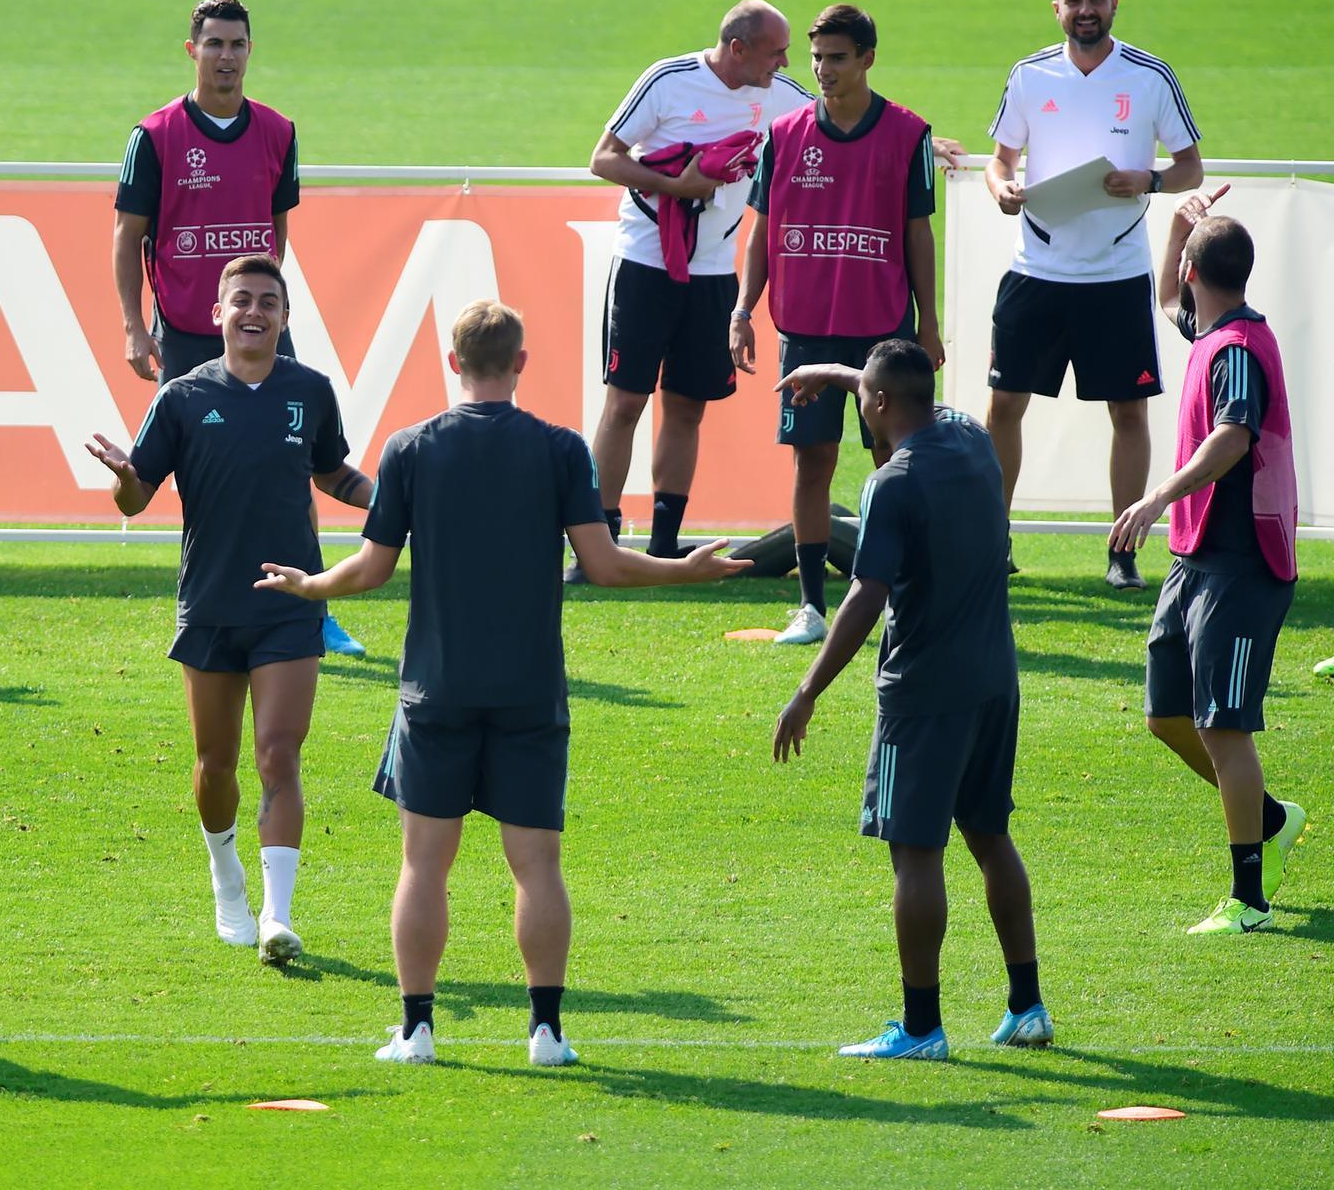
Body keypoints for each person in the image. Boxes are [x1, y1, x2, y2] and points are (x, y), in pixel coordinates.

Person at [258, 299, 744, 1066]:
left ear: (454, 363)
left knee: (423, 864)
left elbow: (373, 567)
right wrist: (683, 567)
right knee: (538, 866)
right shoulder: (560, 451)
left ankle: (416, 1030)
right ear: (520, 362)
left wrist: (312, 587)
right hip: (529, 690)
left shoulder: (411, 448)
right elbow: (606, 564)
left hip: (436, 691)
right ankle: (546, 1032)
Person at [87, 255, 373, 965]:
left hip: (290, 603)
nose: (254, 311)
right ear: (216, 314)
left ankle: (277, 915)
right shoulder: (182, 396)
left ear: (284, 317)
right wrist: (125, 478)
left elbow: (333, 472)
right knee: (216, 764)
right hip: (210, 606)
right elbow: (137, 495)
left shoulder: (310, 390)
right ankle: (226, 876)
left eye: (268, 302)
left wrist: (399, 498)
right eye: (240, 299)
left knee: (279, 754)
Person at [774, 341, 1048, 1061]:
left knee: (914, 851)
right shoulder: (970, 437)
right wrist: (834, 376)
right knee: (990, 835)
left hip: (924, 693)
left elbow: (867, 594)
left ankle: (921, 1025)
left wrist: (807, 691)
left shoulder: (893, 484)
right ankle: (1028, 1005)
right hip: (996, 677)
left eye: (865, 397)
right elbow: (895, 390)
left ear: (881, 405)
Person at [112, 0, 364, 657]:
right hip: (190, 330)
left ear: (251, 51)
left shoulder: (277, 131)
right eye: (215, 44)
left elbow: (277, 226)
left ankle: (313, 601)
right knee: (204, 474)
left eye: (237, 44)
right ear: (192, 51)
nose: (226, 56)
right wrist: (136, 328)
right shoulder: (157, 135)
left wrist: (263, 306)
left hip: (256, 324)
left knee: (295, 461)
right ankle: (213, 603)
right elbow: (127, 234)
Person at [565, 0, 815, 582]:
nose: (784, 61)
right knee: (625, 403)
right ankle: (597, 547)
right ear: (738, 49)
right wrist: (674, 184)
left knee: (686, 408)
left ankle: (664, 543)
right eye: (775, 51)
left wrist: (928, 144)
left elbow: (846, 116)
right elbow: (603, 158)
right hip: (646, 261)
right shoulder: (669, 80)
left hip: (712, 272)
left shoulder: (779, 93)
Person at [1113, 189, 1306, 935]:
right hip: (1195, 558)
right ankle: (1272, 818)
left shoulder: (1237, 351)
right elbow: (1168, 296)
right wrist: (1177, 229)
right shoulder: (1213, 325)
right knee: (1168, 715)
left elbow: (1232, 438)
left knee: (1226, 726)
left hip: (1240, 562)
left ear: (1201, 270)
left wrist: (1157, 496)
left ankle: (1249, 899)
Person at [984, 0, 1204, 587]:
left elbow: (1190, 165)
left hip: (1116, 273)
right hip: (1037, 269)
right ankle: (993, 544)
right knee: (1003, 407)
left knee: (1128, 413)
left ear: (1115, 5)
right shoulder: (1029, 75)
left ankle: (1122, 554)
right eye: (1073, 0)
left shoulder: (1150, 75)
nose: (1086, 9)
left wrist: (1151, 180)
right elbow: (1000, 161)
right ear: (1055, 9)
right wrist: (1002, 191)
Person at [731, 5, 943, 645]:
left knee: (892, 458)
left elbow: (917, 232)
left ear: (868, 58)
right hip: (804, 328)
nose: (824, 70)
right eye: (817, 58)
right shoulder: (786, 133)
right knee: (812, 462)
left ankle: (904, 593)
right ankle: (811, 607)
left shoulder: (909, 134)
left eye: (838, 57)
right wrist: (743, 310)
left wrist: (928, 322)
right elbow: (761, 232)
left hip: (882, 329)